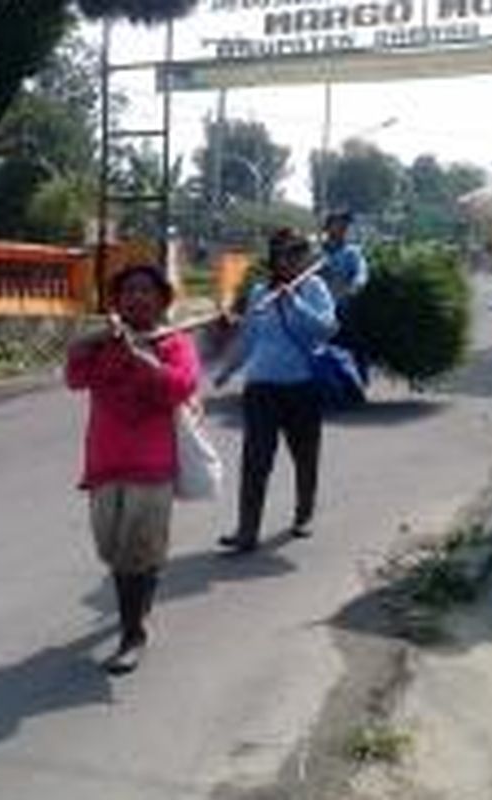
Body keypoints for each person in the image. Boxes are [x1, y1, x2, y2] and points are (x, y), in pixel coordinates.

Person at [65, 264, 200, 674]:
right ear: (117, 301)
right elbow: (74, 377)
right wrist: (92, 339)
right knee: (113, 548)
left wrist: (142, 358)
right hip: (105, 462)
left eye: (146, 291)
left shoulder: (173, 343)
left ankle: (133, 634)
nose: (137, 297)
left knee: (131, 554)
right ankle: (145, 589)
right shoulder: (104, 343)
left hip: (151, 465)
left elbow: (181, 386)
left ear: (161, 300)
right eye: (129, 291)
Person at [214, 232, 337, 553]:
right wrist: (228, 370)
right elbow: (249, 337)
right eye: (286, 254)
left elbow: (326, 328)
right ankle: (247, 530)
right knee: (255, 460)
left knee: (305, 456)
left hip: (301, 386)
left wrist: (294, 302)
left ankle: (303, 514)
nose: (293, 260)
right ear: (275, 259)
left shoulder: (314, 288)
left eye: (299, 254)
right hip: (261, 387)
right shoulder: (259, 293)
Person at [319, 210, 371, 379]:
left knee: (352, 337)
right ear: (328, 227)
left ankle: (360, 376)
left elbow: (361, 272)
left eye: (345, 225)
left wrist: (356, 285)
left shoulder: (352, 252)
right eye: (338, 224)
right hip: (319, 305)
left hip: (343, 304)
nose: (342, 228)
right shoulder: (318, 252)